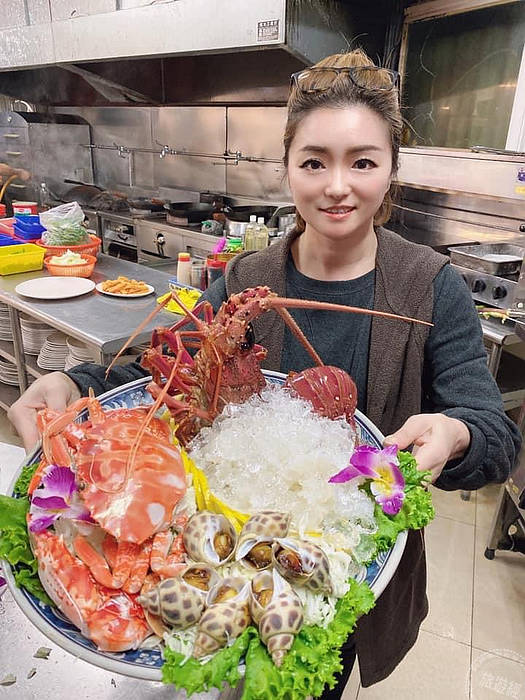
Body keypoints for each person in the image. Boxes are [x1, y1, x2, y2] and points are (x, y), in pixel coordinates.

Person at [7, 49, 522, 696]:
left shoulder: (432, 287)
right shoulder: (247, 278)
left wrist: (458, 433)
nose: (337, 186)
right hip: (228, 558)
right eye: (314, 162)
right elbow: (163, 362)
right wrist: (76, 383)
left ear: (392, 169)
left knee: (314, 682)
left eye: (363, 162)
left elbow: (495, 436)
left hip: (339, 562)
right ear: (287, 169)